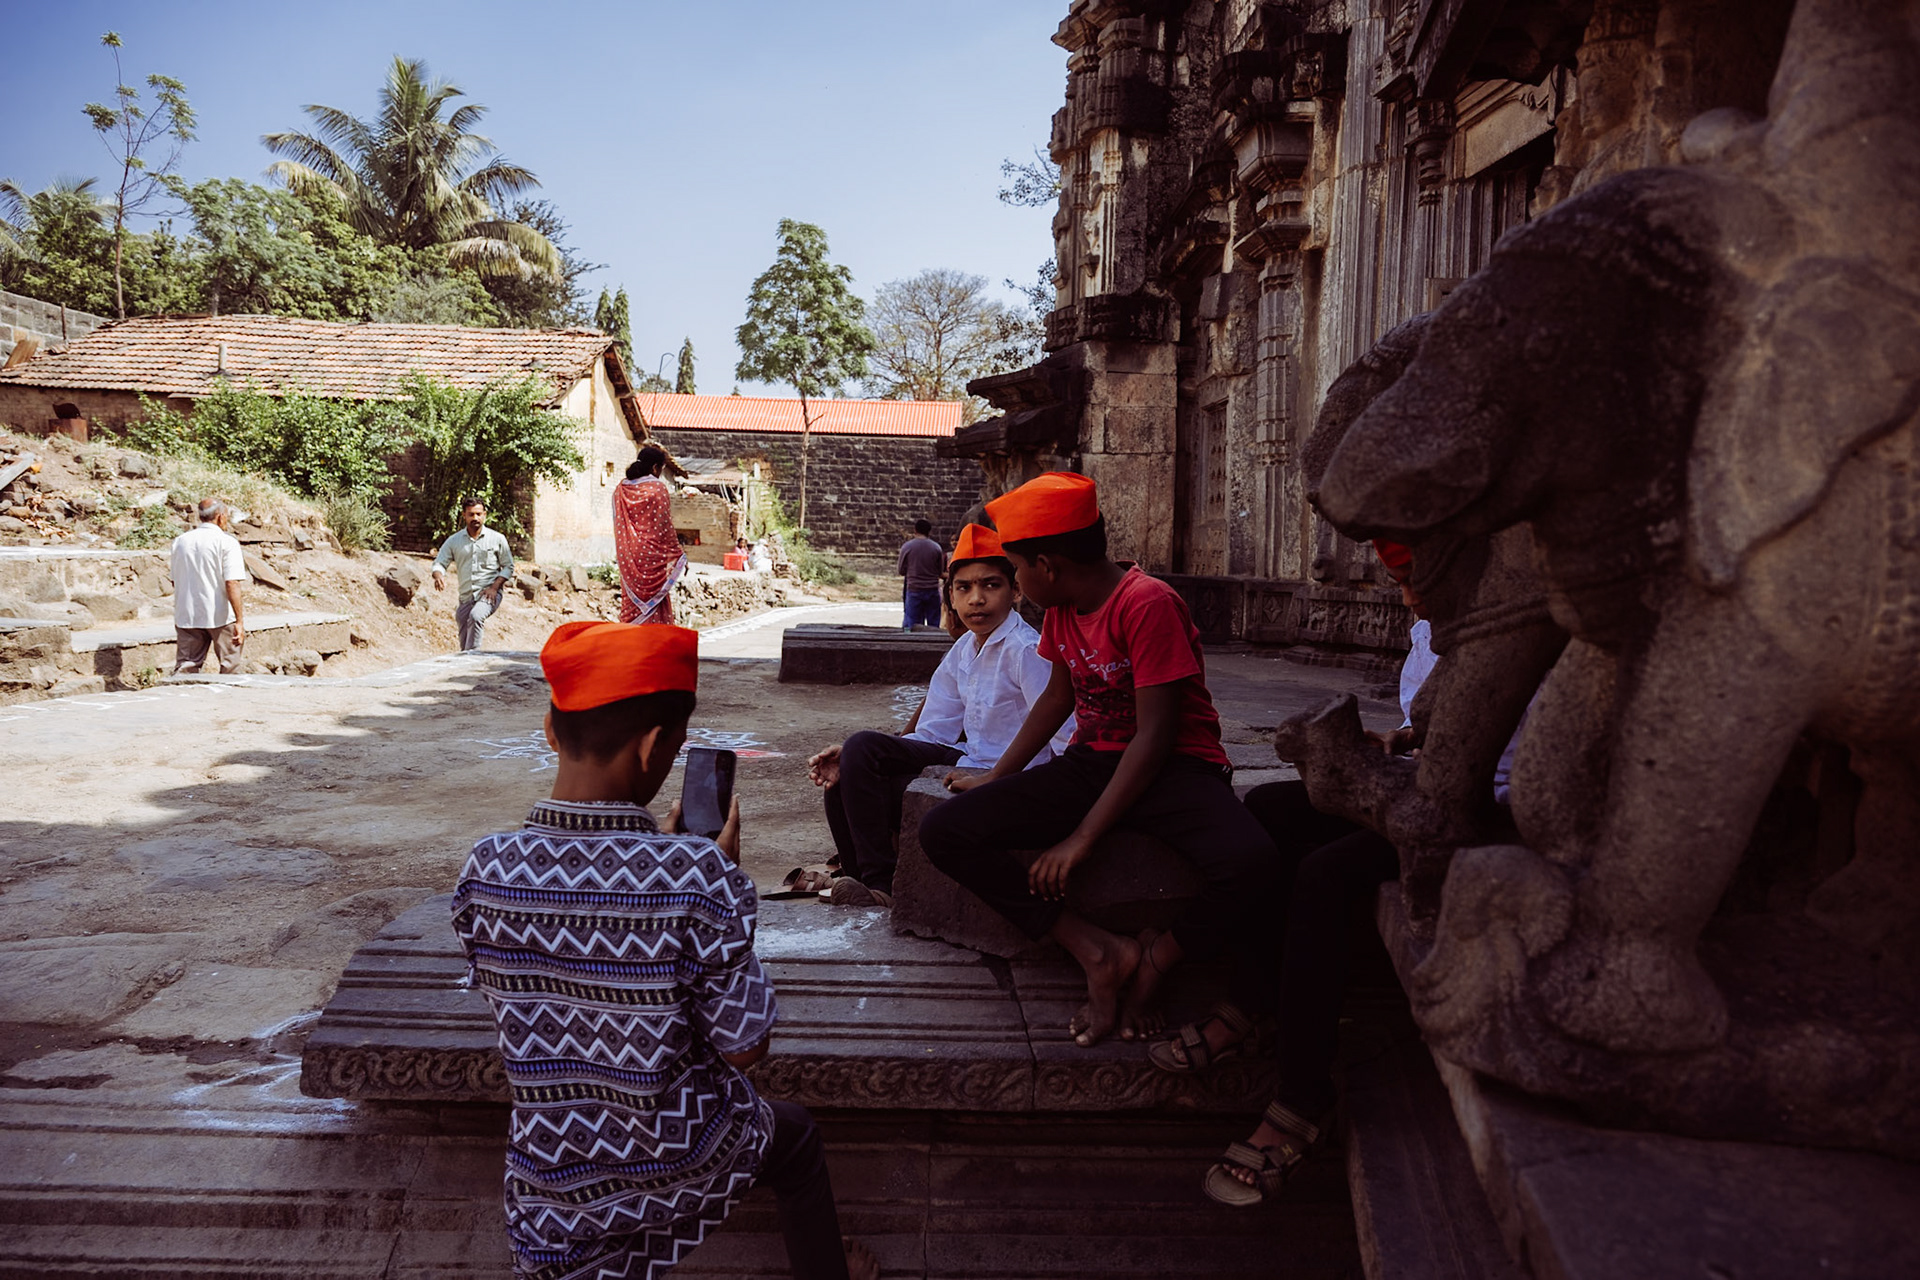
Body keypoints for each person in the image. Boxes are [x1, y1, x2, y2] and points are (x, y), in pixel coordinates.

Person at [451, 621, 877, 1280]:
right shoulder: (693, 876)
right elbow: (744, 1044)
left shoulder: (485, 866)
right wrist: (724, 887)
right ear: (654, 746)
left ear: (549, 728)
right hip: (676, 1148)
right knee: (793, 1139)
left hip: (549, 1167)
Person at [1193, 539, 1522, 1208]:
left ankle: (1302, 1098)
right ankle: (1257, 996)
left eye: (1412, 577)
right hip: (1431, 783)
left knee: (1327, 875)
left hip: (1496, 812)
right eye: (1396, 580)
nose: (1407, 598)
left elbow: (1501, 764)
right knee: (1268, 806)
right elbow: (1431, 726)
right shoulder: (1431, 624)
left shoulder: (1512, 629)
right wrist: (1396, 743)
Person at [917, 473, 1279, 1047]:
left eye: (1018, 569)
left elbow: (1156, 736)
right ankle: (1096, 949)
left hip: (1178, 769)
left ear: (1049, 565)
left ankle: (1160, 957)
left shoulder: (1147, 603)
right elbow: (1058, 699)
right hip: (1091, 763)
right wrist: (997, 777)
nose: (1021, 583)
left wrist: (1080, 839)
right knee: (945, 831)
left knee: (1254, 861)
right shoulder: (1064, 607)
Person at [806, 524, 1073, 908]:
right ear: (949, 594)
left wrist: (1000, 780)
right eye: (963, 588)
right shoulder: (965, 647)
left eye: (991, 586)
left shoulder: (1026, 650)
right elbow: (934, 732)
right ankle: (861, 879)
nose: (976, 599)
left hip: (1009, 776)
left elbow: (1063, 742)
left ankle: (883, 887)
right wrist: (862, 760)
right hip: (966, 758)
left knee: (861, 754)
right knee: (849, 768)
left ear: (1016, 591)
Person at [168, 498, 250, 675]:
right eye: (226, 517)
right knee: (230, 667)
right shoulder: (226, 542)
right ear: (220, 517)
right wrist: (239, 621)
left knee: (185, 669)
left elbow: (174, 580)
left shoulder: (180, 541)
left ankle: (182, 700)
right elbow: (232, 582)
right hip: (219, 615)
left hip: (187, 615)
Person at [615, 444, 687, 624]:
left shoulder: (620, 490)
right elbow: (665, 528)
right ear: (656, 468)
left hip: (629, 557)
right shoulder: (658, 488)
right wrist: (678, 555)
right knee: (656, 604)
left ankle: (628, 645)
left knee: (631, 604)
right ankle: (654, 646)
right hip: (652, 559)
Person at [432, 498, 514, 651]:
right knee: (463, 625)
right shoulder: (454, 541)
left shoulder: (497, 539)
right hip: (466, 597)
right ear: (464, 515)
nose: (475, 518)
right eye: (471, 514)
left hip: (489, 594)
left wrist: (494, 588)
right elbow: (439, 562)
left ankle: (475, 659)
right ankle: (466, 664)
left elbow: (508, 566)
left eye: (478, 514)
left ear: (484, 515)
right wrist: (438, 576)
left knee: (476, 616)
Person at [897, 518, 944, 629]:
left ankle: (910, 642)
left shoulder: (907, 547)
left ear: (915, 530)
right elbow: (939, 571)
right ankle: (933, 642)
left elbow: (901, 570)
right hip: (932, 588)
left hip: (914, 588)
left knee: (911, 622)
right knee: (933, 622)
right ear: (929, 531)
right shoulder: (936, 548)